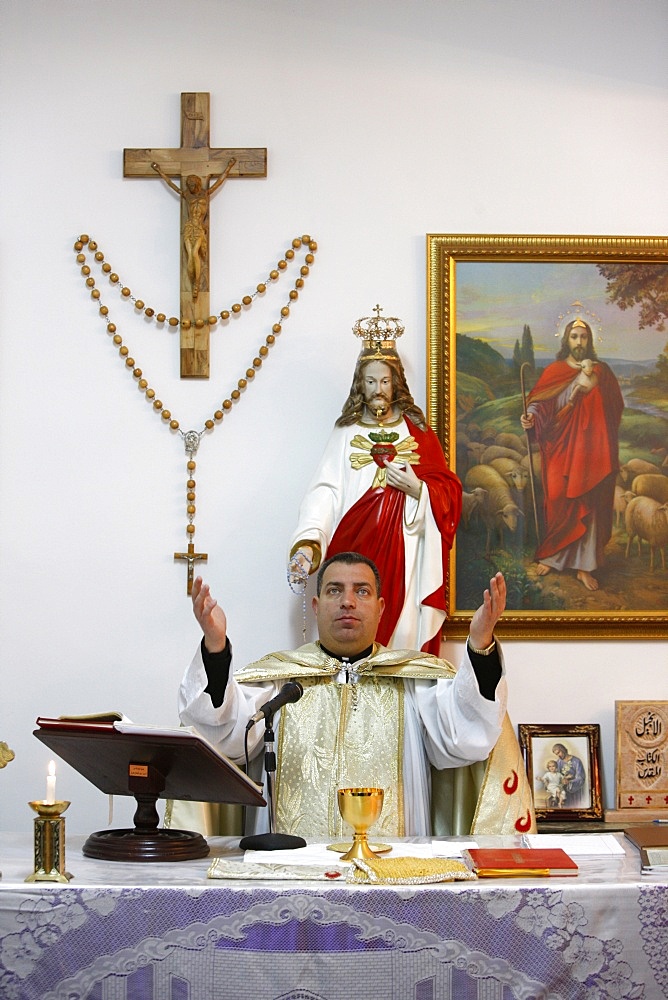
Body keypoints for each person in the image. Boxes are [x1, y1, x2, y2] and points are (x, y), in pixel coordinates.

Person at [176, 552, 535, 840]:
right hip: (290, 872)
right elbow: (221, 735)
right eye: (334, 590)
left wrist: (481, 644)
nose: (347, 601)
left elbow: (467, 735)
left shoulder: (415, 683)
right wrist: (216, 646)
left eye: (361, 591)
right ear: (316, 606)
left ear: (380, 607)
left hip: (391, 875)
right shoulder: (279, 682)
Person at [288, 313, 462, 654]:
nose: (378, 390)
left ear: (396, 382)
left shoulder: (418, 432)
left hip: (407, 556)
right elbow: (326, 491)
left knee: (401, 638)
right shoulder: (347, 431)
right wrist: (309, 540)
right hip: (352, 548)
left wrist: (419, 491)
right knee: (350, 626)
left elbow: (450, 491)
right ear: (359, 384)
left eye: (385, 381)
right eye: (370, 382)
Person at [520, 317, 624, 591]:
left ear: (590, 341)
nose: (579, 342)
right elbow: (540, 404)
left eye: (584, 337)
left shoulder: (602, 372)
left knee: (587, 503)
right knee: (557, 497)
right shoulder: (554, 371)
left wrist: (593, 384)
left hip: (590, 453)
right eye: (575, 336)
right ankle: (554, 557)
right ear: (566, 340)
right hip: (559, 447)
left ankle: (583, 567)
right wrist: (530, 418)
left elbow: (615, 408)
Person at [552, 742, 587, 807]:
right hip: (564, 792)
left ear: (563, 750)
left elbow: (581, 778)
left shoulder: (576, 761)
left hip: (575, 791)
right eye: (556, 754)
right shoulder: (559, 762)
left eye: (559, 752)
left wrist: (569, 782)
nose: (558, 755)